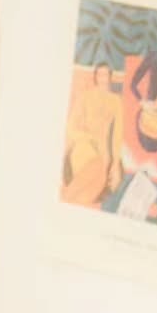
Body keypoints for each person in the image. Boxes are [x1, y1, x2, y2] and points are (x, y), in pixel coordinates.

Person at [62, 61, 124, 208]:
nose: (103, 78)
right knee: (91, 169)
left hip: (103, 152)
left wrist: (115, 163)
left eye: (106, 75)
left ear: (110, 77)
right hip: (83, 146)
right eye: (100, 75)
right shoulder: (85, 96)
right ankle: (68, 197)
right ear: (95, 77)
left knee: (100, 180)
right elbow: (70, 127)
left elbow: (117, 134)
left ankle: (68, 198)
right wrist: (88, 138)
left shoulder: (115, 101)